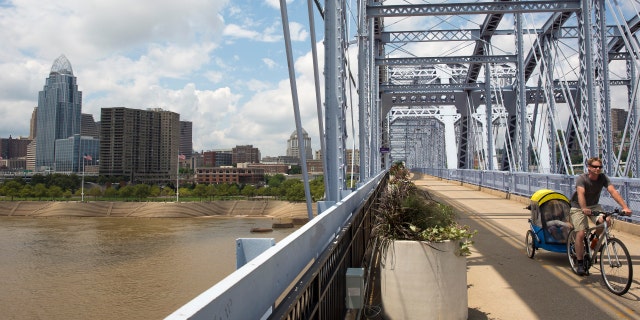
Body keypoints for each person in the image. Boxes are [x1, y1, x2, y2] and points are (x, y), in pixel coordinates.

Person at [569, 157, 632, 276]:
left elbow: (613, 191)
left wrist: (625, 207)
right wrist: (583, 208)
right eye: (595, 167)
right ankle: (580, 263)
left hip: (594, 206)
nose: (598, 169)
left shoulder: (602, 178)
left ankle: (594, 239)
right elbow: (581, 194)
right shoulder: (582, 179)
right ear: (589, 168)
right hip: (578, 207)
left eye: (600, 167)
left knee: (607, 221)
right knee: (581, 233)